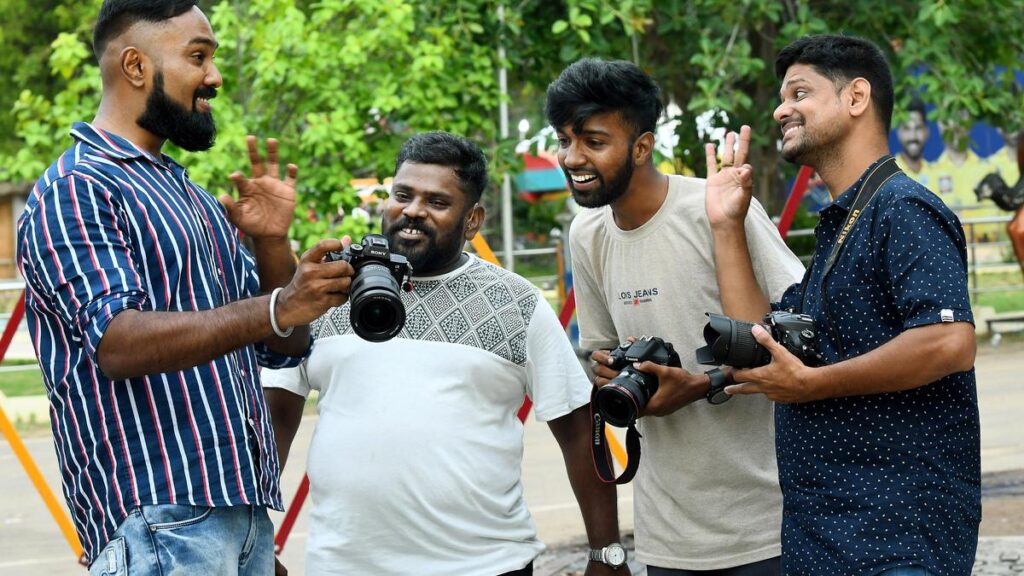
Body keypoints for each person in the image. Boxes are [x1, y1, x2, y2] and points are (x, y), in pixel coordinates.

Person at [15, 1, 354, 573]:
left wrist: (272, 248)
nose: (215, 78)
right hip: (157, 518)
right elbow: (118, 343)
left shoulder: (191, 196)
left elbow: (283, 345)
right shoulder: (76, 188)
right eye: (198, 57)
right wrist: (279, 303)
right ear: (135, 66)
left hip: (236, 515)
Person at [262, 131, 625, 576]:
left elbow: (577, 430)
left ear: (472, 220)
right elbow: (275, 416)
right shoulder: (326, 291)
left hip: (486, 567)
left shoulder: (516, 302)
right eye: (402, 195)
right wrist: (258, 539)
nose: (412, 210)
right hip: (342, 566)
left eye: (436, 202)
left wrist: (606, 553)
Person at [706, 34, 980, 575]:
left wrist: (815, 384)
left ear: (857, 98)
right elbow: (761, 340)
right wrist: (726, 224)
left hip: (898, 537)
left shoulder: (901, 208)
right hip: (826, 535)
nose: (782, 109)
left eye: (800, 92)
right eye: (782, 97)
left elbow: (950, 341)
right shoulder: (844, 222)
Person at [546, 58, 804, 575]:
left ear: (641, 147)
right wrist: (613, 375)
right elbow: (602, 353)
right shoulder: (587, 234)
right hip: (667, 536)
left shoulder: (717, 207)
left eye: (594, 141)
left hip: (767, 522)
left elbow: (797, 334)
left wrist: (701, 382)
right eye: (565, 139)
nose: (573, 157)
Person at [894, 96, 933, 184]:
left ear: (926, 131)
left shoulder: (937, 174)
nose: (913, 136)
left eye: (918, 128)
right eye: (907, 128)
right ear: (898, 132)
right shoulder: (889, 175)